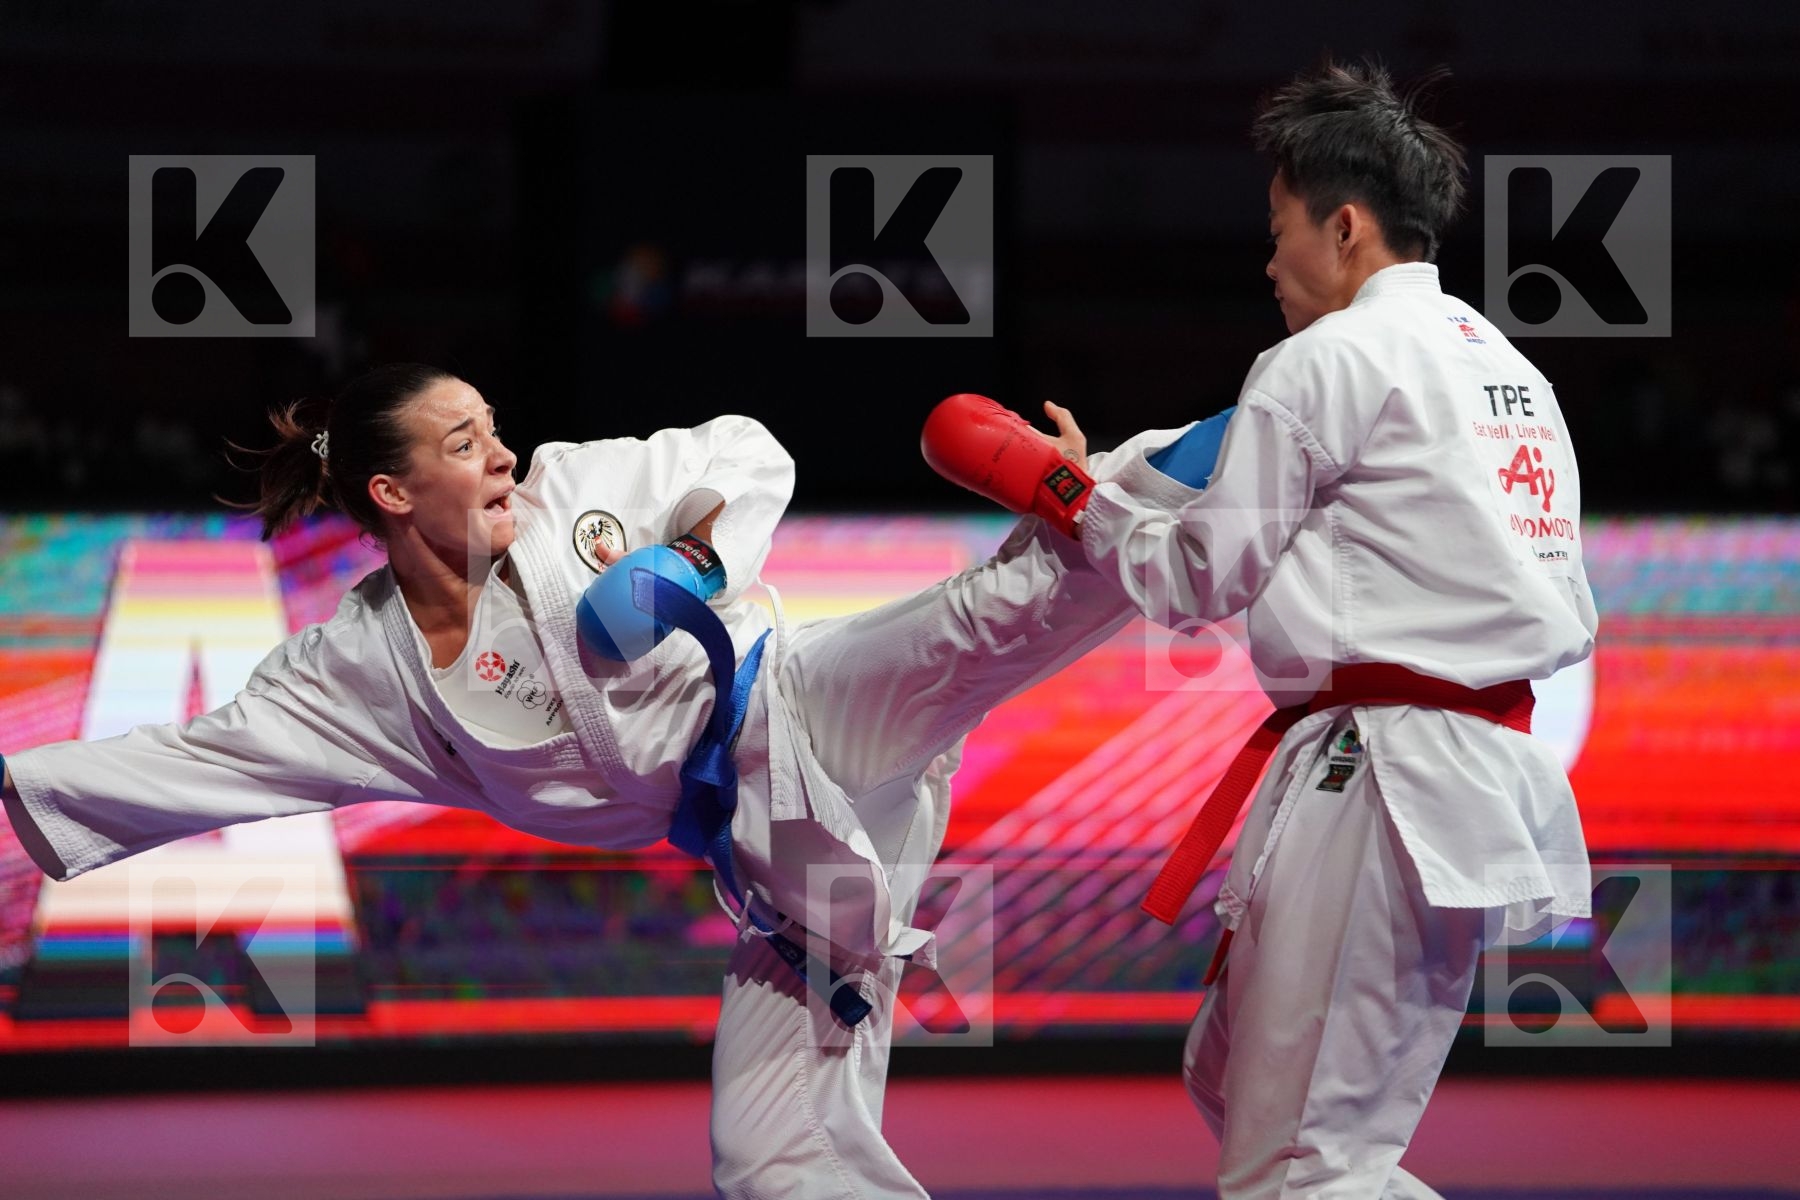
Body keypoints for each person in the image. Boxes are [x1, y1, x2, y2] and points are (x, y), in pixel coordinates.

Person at [0, 362, 1229, 1199]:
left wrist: (691, 560)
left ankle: (1174, 469)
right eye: (465, 440)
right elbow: (194, 759)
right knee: (765, 1154)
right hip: (771, 863)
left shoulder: (577, 493)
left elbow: (748, 453)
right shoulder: (356, 678)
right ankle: (1109, 502)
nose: (504, 450)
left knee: (986, 620)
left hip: (797, 706)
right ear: (390, 494)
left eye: (493, 425)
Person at [924, 61, 1599, 1197]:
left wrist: (1072, 499)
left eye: (1279, 227)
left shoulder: (1321, 359)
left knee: (1300, 1162)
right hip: (1456, 778)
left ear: (1344, 225)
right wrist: (1114, 479)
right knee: (1238, 1082)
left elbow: (1199, 578)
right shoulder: (1514, 375)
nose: (1269, 260)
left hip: (1381, 774)